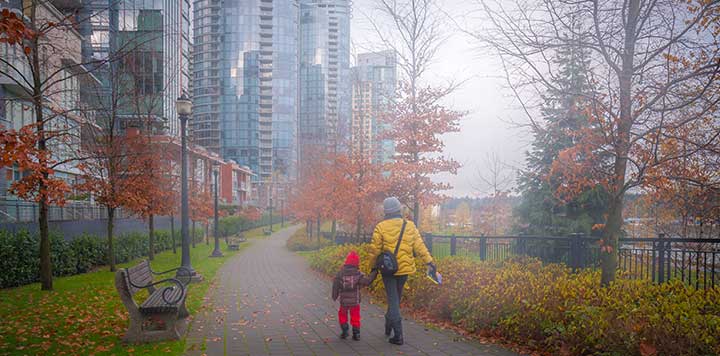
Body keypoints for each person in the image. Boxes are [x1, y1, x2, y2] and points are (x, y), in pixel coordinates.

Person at [368, 197, 435, 345]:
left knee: (393, 301)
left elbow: (374, 250)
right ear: (399, 209)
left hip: (388, 270)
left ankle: (398, 336)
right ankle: (388, 325)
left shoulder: (381, 227)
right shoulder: (410, 226)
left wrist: (372, 267)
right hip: (404, 270)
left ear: (386, 211)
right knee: (395, 300)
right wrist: (429, 261)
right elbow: (420, 246)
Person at [332, 250, 378, 341]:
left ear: (346, 262)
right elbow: (367, 281)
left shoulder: (340, 274)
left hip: (344, 302)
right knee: (355, 316)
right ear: (356, 264)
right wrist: (374, 272)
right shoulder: (358, 275)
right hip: (355, 302)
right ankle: (356, 334)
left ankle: (345, 331)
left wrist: (334, 295)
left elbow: (335, 285)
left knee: (342, 315)